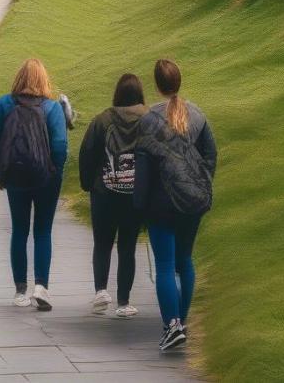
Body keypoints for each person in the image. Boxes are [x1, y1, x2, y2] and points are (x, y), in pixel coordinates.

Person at [134, 59, 217, 351]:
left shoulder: (149, 119)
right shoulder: (197, 115)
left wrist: (139, 206)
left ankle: (171, 326)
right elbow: (210, 155)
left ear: (156, 85)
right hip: (191, 202)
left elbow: (142, 169)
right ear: (178, 81)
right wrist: (200, 186)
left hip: (161, 203)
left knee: (166, 266)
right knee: (185, 261)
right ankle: (180, 323)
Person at [0, 58, 67, 311]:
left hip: (16, 176)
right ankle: (41, 286)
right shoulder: (52, 108)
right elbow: (60, 146)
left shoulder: (5, 103)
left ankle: (20, 290)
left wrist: (8, 153)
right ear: (44, 80)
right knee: (43, 230)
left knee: (19, 230)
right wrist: (55, 168)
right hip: (46, 177)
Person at [79, 73, 147, 318]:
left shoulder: (102, 120)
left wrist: (88, 185)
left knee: (102, 243)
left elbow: (87, 154)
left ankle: (100, 291)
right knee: (127, 247)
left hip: (104, 191)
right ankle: (123, 302)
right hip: (134, 194)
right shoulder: (147, 120)